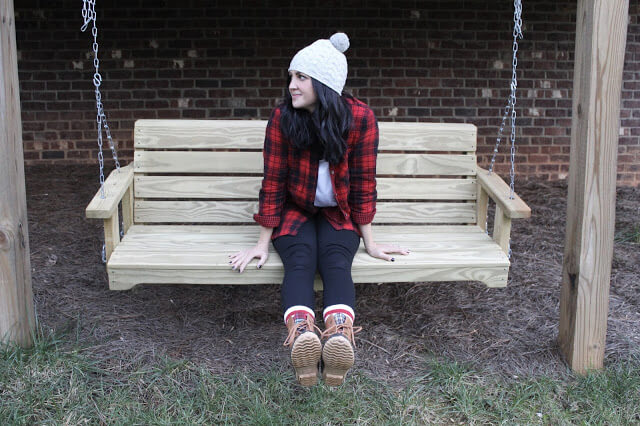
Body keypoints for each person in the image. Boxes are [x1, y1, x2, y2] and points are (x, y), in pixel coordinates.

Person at [229, 33, 409, 387]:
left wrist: (370, 242)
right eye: (292, 76)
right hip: (294, 210)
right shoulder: (283, 118)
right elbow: (274, 181)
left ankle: (339, 336)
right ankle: (302, 339)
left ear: (324, 84)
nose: (291, 85)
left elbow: (363, 184)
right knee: (300, 256)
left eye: (301, 77)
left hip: (337, 212)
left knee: (335, 257)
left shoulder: (360, 118)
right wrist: (261, 244)